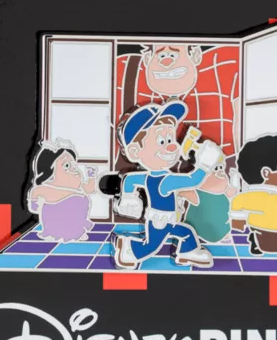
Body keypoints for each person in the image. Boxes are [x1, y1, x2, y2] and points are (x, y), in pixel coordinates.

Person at [112, 100, 221, 269]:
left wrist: (128, 196)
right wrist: (205, 164)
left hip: (164, 220)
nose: (172, 147)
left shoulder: (148, 177)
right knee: (151, 247)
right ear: (135, 151)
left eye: (170, 138)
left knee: (185, 232)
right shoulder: (166, 181)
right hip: (160, 222)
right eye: (162, 141)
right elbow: (193, 180)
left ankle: (187, 252)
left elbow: (130, 180)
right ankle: (128, 251)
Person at [25, 139, 98, 242]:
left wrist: (91, 176)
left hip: (76, 226)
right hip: (55, 228)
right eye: (67, 165)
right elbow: (34, 207)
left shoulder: (77, 187)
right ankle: (57, 233)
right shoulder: (44, 189)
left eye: (74, 165)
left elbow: (90, 189)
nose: (74, 169)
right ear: (49, 172)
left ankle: (76, 232)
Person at [179, 163, 239, 244]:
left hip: (222, 230)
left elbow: (234, 191)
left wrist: (234, 178)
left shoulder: (224, 192)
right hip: (202, 230)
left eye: (221, 169)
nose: (219, 173)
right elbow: (181, 193)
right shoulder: (198, 194)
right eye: (215, 170)